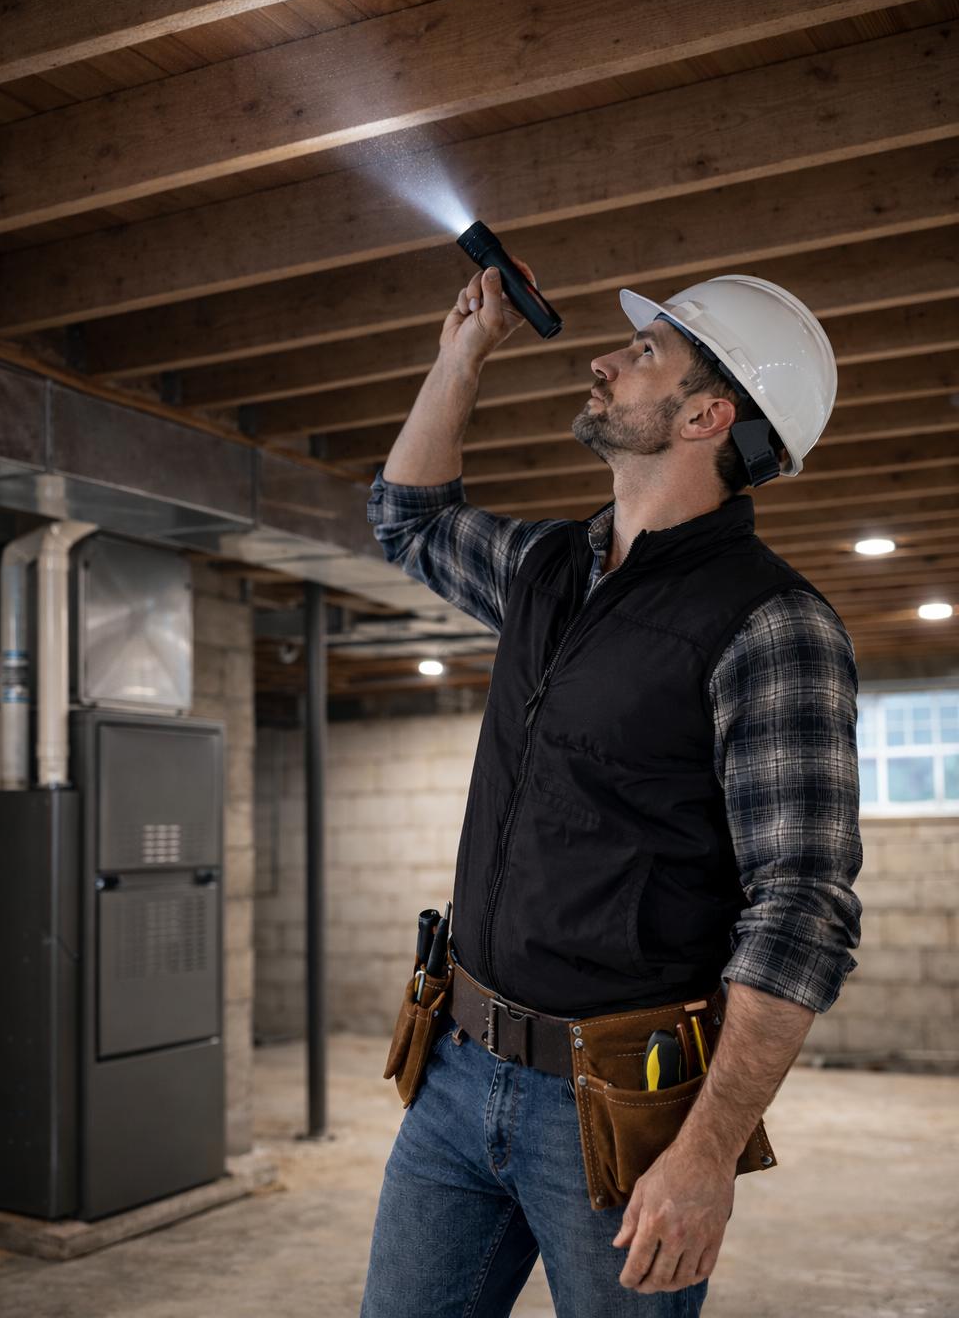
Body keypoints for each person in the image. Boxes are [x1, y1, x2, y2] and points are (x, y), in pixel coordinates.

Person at [360, 258, 861, 1317]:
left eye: (643, 355)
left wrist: (706, 1155)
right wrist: (463, 352)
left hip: (623, 1108)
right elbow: (406, 518)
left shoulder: (771, 623)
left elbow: (802, 906)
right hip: (457, 1066)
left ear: (707, 414)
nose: (603, 361)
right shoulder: (549, 568)